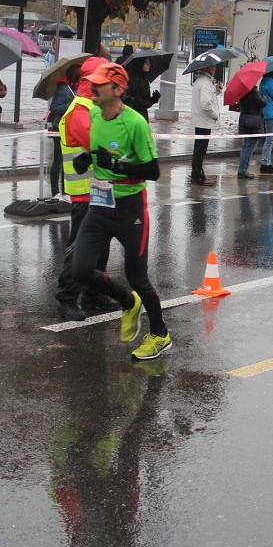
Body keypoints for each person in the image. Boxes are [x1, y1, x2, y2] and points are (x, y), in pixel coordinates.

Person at [68, 62, 171, 360]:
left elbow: (153, 171)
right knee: (82, 270)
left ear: (118, 89)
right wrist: (88, 159)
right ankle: (128, 303)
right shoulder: (96, 116)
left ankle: (160, 334)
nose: (93, 87)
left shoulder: (135, 123)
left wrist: (117, 166)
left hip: (130, 208)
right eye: (93, 83)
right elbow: (105, 152)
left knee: (137, 276)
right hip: (100, 205)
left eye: (100, 84)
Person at [53, 57, 116, 321]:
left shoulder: (95, 108)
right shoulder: (79, 112)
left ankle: (93, 293)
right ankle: (67, 297)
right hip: (84, 194)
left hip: (101, 190)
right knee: (81, 249)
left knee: (101, 247)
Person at [47, 64, 81, 198]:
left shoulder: (74, 89)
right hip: (59, 128)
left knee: (67, 161)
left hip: (70, 129)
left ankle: (66, 191)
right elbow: (55, 108)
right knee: (58, 160)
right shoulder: (64, 89)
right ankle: (55, 191)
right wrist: (71, 105)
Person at [189, 64, 221, 184]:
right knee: (200, 150)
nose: (215, 69)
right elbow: (206, 104)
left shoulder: (203, 81)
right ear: (208, 68)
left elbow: (208, 98)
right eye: (213, 67)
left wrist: (217, 91)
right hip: (204, 122)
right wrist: (215, 115)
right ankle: (197, 176)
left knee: (199, 149)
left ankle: (198, 173)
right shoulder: (205, 83)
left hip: (201, 121)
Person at [236, 82, 268, 178]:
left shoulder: (242, 92)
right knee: (250, 146)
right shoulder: (253, 92)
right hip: (254, 122)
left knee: (246, 146)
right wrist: (263, 97)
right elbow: (263, 103)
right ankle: (243, 170)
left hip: (245, 121)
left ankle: (242, 169)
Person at [257, 70, 273, 173]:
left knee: (270, 139)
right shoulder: (269, 81)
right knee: (270, 139)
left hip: (270, 111)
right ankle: (265, 163)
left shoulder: (266, 80)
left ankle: (267, 162)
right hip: (271, 112)